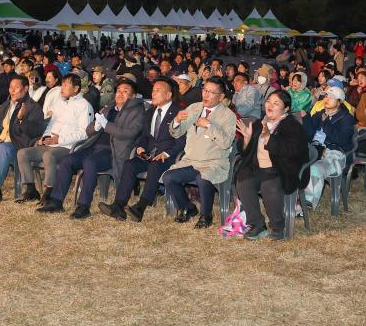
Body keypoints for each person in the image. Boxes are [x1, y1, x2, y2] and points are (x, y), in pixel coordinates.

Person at [41, 79, 145, 217]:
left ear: (133, 96)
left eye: (125, 91)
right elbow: (88, 130)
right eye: (118, 90)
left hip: (113, 150)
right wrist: (95, 126)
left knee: (90, 162)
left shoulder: (137, 111)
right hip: (93, 146)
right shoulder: (109, 108)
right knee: (67, 160)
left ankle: (83, 206)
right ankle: (56, 201)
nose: (120, 94)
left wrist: (107, 125)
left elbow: (129, 133)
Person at [99, 77, 185, 222]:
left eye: (158, 90)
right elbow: (144, 136)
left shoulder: (179, 112)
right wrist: (140, 147)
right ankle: (118, 205)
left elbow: (182, 141)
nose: (153, 93)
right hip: (149, 154)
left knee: (155, 166)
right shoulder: (150, 111)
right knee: (129, 164)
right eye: (153, 90)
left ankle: (141, 207)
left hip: (168, 156)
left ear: (168, 95)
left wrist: (166, 153)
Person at [233, 90, 310, 240]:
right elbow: (245, 152)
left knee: (269, 185)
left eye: (276, 103)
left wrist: (269, 137)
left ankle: (278, 226)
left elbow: (289, 152)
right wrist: (247, 139)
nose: (270, 105)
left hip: (282, 168)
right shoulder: (259, 123)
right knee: (243, 181)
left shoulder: (292, 126)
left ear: (286, 108)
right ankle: (257, 224)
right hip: (258, 167)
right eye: (268, 101)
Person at [162, 77, 237, 229]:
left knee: (202, 178)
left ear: (221, 97)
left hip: (213, 163)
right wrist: (176, 121)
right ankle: (188, 208)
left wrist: (209, 125)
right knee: (168, 177)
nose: (206, 95)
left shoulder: (228, 115)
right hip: (191, 160)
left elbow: (226, 143)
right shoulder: (194, 108)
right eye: (205, 90)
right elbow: (176, 133)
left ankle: (206, 215)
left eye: (211, 92)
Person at [18, 73, 93, 202]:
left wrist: (60, 139)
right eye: (62, 85)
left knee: (49, 155)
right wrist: (44, 137)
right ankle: (31, 190)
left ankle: (50, 191)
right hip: (51, 144)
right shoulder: (59, 103)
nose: (62, 88)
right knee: (22, 153)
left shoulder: (84, 106)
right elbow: (52, 124)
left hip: (68, 147)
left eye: (66, 85)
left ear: (76, 88)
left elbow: (84, 133)